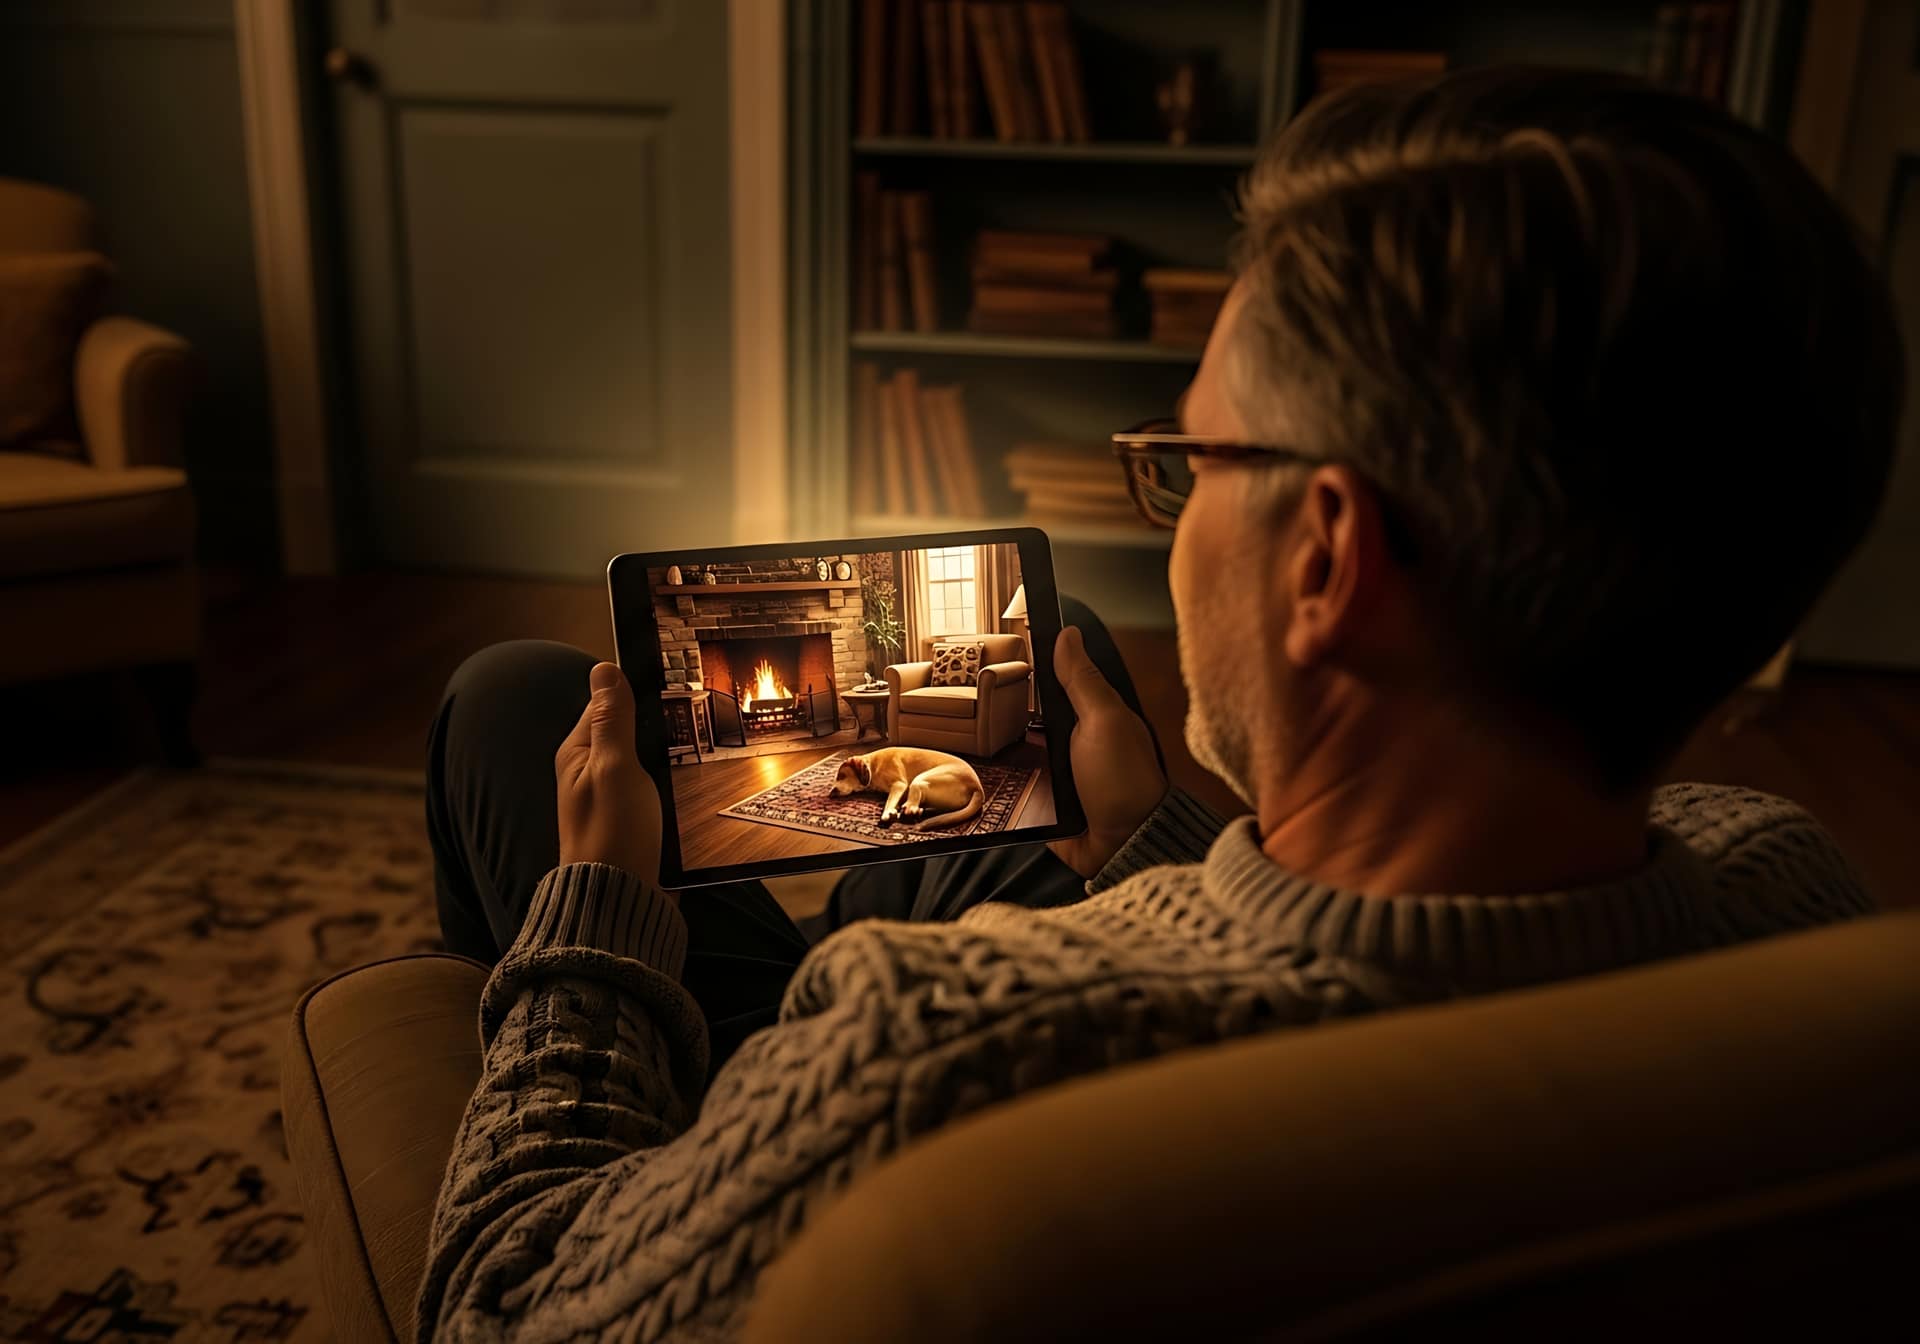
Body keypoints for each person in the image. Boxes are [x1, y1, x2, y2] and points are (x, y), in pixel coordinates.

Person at [416, 67, 1900, 1342]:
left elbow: (505, 1304)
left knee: (509, 706)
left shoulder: (920, 1062)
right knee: (1048, 674)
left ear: (1326, 558)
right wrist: (1154, 844)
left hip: (745, 1172)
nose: (1178, 529)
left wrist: (601, 914)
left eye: (1191, 464)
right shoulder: (1791, 886)